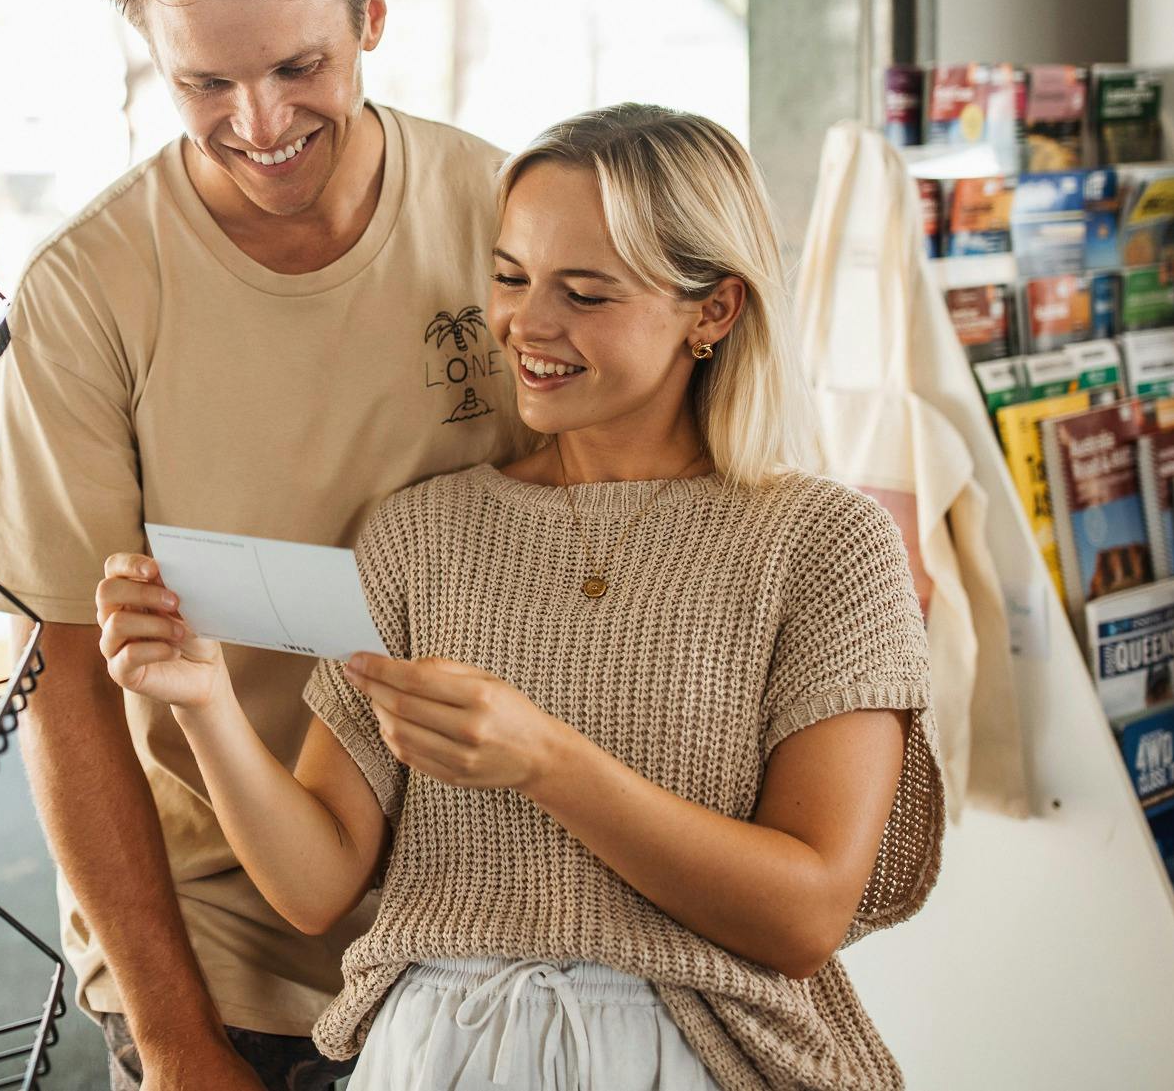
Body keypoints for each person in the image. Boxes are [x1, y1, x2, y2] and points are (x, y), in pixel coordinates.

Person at [95, 104, 944, 1089]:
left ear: (713, 311)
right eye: (509, 277)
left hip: (695, 1055)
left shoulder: (826, 547)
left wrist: (548, 763)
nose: (527, 326)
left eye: (585, 293)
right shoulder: (420, 535)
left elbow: (806, 918)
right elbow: (316, 884)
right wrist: (203, 705)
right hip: (433, 1055)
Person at [0, 0, 527, 1091]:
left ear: (373, 11)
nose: (259, 123)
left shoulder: (505, 217)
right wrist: (173, 1041)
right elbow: (61, 675)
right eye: (205, 85)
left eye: (297, 67)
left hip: (493, 921)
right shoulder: (88, 291)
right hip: (224, 947)